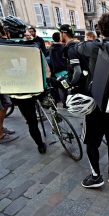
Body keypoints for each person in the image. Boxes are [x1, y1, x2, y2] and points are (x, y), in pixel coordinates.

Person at [66, 13, 109, 188]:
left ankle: (96, 176)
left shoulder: (94, 47)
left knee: (92, 141)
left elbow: (78, 47)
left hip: (95, 104)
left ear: (101, 30)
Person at [1, 16, 46, 152]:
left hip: (17, 92)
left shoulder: (3, 48)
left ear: (8, 32)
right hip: (37, 88)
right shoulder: (34, 46)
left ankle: (40, 145)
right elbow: (45, 70)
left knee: (31, 122)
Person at [59, 24, 90, 95]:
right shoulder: (78, 44)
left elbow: (77, 71)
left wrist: (71, 84)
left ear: (63, 34)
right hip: (84, 81)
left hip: (78, 85)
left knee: (60, 82)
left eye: (60, 33)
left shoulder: (71, 49)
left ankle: (65, 103)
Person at [48, 32, 68, 105]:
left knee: (60, 87)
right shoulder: (62, 47)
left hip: (55, 71)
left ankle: (63, 102)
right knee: (65, 87)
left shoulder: (51, 47)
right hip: (63, 71)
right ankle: (65, 103)